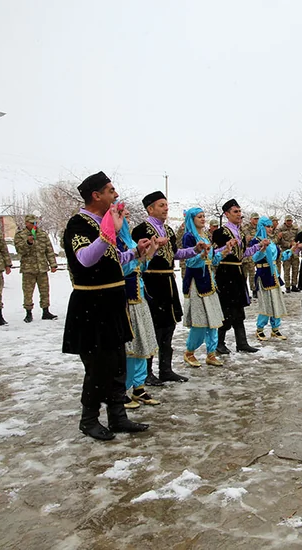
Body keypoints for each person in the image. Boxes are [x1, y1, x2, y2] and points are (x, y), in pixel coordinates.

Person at [62, 171, 149, 440]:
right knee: (98, 366)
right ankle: (88, 420)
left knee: (117, 363)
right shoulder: (79, 224)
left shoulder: (103, 224)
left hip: (112, 303)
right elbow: (86, 259)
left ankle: (117, 416)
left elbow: (112, 261)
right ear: (96, 195)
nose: (116, 195)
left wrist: (135, 252)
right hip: (91, 304)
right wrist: (107, 233)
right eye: (111, 190)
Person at [132, 191, 203, 385]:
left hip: (168, 282)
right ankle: (146, 373)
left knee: (168, 326)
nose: (166, 208)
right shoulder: (140, 230)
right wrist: (154, 247)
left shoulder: (169, 230)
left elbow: (175, 253)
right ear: (150, 209)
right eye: (161, 205)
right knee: (152, 327)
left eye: (166, 205)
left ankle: (165, 369)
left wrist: (194, 250)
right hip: (151, 282)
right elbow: (138, 257)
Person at [117, 215, 161, 408]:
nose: (125, 218)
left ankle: (139, 387)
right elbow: (122, 268)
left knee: (143, 341)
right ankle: (122, 389)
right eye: (122, 215)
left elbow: (139, 267)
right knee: (131, 345)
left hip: (139, 295)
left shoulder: (128, 240)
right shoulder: (113, 241)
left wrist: (149, 251)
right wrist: (136, 253)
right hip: (126, 298)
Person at [211, 199, 264, 353]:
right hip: (226, 272)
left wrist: (258, 246)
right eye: (235, 211)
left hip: (237, 272)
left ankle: (242, 342)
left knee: (239, 309)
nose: (239, 214)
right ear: (227, 214)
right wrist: (225, 248)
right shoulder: (220, 232)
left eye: (240, 211)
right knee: (226, 308)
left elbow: (243, 254)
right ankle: (219, 343)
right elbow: (213, 253)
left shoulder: (240, 232)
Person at [181, 208, 226, 367]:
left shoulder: (205, 236)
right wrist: (201, 255)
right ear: (191, 219)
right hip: (196, 283)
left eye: (203, 216)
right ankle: (189, 352)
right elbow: (189, 262)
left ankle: (211, 353)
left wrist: (224, 252)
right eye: (199, 216)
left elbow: (211, 261)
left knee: (213, 320)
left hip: (209, 281)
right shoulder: (189, 236)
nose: (203, 219)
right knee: (199, 322)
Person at [250, 216, 296, 340]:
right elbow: (254, 258)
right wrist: (262, 249)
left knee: (276, 302)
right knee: (266, 304)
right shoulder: (256, 241)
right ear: (261, 227)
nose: (270, 229)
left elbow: (279, 257)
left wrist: (291, 250)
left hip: (274, 275)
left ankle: (275, 329)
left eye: (271, 226)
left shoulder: (271, 242)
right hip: (263, 274)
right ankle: (260, 329)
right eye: (268, 226)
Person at [14, 214, 59, 322]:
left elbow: (49, 250)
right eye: (32, 223)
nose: (35, 225)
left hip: (42, 268)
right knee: (28, 292)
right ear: (26, 223)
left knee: (44, 291)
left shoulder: (42, 234)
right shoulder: (20, 235)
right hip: (28, 269)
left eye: (36, 223)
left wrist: (53, 264)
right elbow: (19, 250)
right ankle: (28, 313)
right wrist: (28, 243)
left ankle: (46, 311)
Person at [277, 214, 300, 292]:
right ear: (285, 221)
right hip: (285, 251)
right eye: (288, 221)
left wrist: (295, 244)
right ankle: (287, 286)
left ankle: (294, 285)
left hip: (295, 251)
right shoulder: (280, 229)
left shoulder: (296, 228)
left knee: (295, 269)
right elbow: (279, 241)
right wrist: (289, 244)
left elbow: (299, 237)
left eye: (290, 221)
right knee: (286, 269)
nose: (289, 222)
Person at [242, 212, 259, 298]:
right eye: (255, 219)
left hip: (255, 254)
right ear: (251, 219)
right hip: (247, 253)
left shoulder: (259, 228)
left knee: (253, 274)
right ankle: (245, 293)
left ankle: (254, 290)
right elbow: (247, 239)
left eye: (257, 219)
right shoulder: (246, 227)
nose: (256, 220)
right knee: (244, 275)